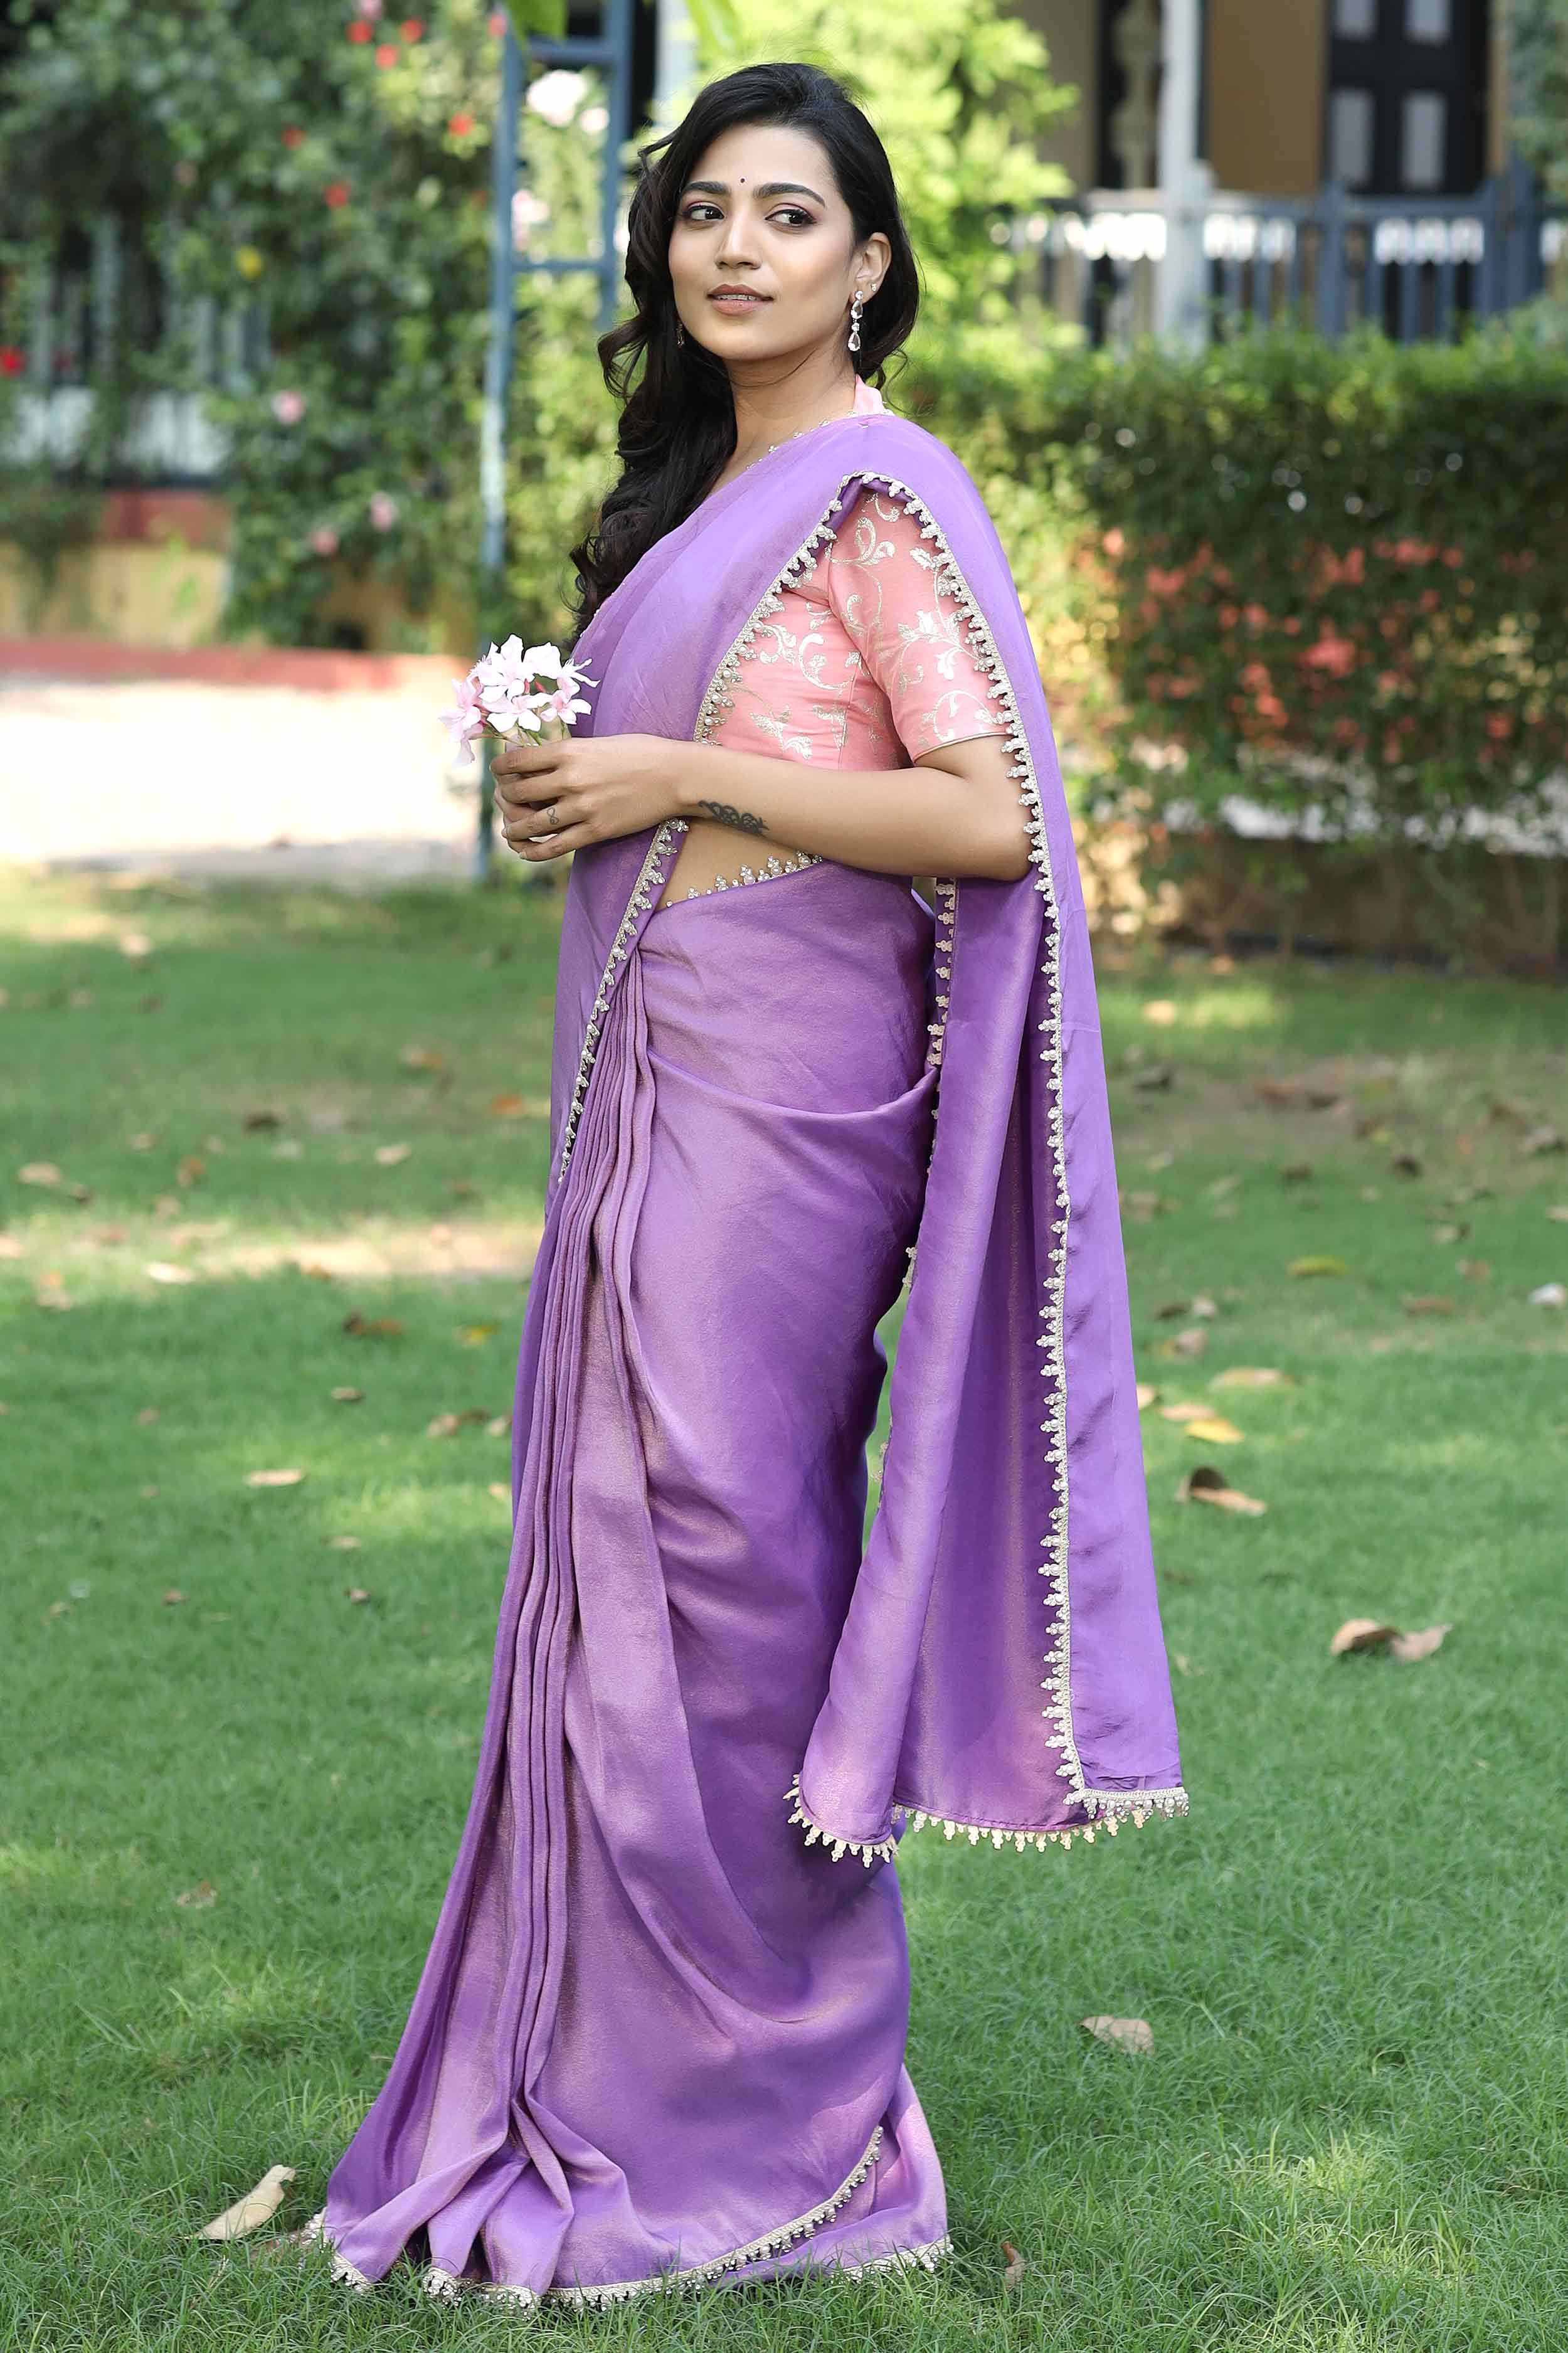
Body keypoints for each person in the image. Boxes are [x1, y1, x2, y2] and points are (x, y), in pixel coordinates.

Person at [297, 59, 1187, 2310]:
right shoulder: (716, 497)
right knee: (614, 1549)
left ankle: (793, 2110)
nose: (732, 250)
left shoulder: (882, 498)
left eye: (786, 216)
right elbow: (702, 803)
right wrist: (577, 804)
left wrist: (677, 770)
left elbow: (989, 820)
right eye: (701, 213)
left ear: (867, 261)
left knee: (723, 1546)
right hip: (662, 1076)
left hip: (794, 1107)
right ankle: (602, 2076)